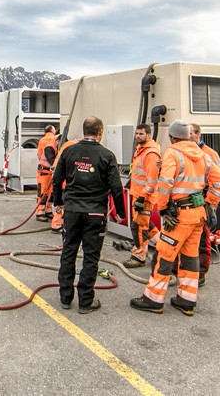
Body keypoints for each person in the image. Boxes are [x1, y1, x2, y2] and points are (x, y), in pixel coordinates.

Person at [130, 119, 220, 316]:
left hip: (178, 216)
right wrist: (210, 204)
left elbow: (165, 183)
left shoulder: (172, 153)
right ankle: (186, 300)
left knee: (164, 255)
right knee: (190, 257)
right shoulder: (203, 155)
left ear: (172, 137)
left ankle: (153, 299)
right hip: (198, 215)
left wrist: (164, 208)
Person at [52, 117, 125, 314]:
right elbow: (116, 187)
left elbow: (57, 179)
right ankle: (85, 301)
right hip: (95, 213)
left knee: (68, 253)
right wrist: (120, 212)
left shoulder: (69, 151)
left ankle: (65, 297)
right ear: (100, 132)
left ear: (84, 130)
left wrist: (57, 202)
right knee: (91, 257)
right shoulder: (106, 155)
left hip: (72, 212)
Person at [123, 123, 161, 268]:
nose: (138, 136)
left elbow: (152, 180)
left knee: (139, 226)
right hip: (138, 193)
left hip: (144, 197)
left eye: (141, 134)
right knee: (145, 225)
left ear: (148, 135)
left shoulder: (151, 154)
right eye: (137, 133)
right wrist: (131, 182)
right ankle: (162, 246)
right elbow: (139, 172)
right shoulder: (141, 150)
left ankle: (139, 256)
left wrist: (142, 197)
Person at [190, 123, 220, 287]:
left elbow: (219, 181)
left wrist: (210, 204)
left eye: (190, 133)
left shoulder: (209, 154)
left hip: (203, 203)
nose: (188, 136)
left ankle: (200, 274)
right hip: (188, 204)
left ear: (198, 134)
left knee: (202, 240)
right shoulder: (184, 153)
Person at [34, 125, 58, 222]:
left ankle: (44, 211)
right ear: (52, 130)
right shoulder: (54, 140)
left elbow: (39, 154)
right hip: (48, 170)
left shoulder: (42, 140)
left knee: (44, 192)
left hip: (44, 169)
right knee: (48, 192)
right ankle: (42, 212)